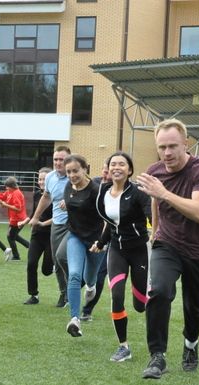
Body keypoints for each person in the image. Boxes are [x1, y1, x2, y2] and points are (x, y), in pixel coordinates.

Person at [135, 118, 199, 380]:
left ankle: (191, 343)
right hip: (167, 245)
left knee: (195, 308)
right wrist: (155, 232)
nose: (167, 153)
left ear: (186, 144)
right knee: (158, 291)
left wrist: (164, 193)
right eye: (162, 147)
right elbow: (156, 204)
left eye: (172, 146)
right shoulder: (155, 171)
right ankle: (157, 356)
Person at [93, 151, 152, 362]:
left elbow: (150, 214)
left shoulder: (138, 192)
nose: (116, 167)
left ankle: (148, 291)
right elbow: (110, 223)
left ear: (129, 170)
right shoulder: (104, 193)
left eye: (121, 164)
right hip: (116, 251)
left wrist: (158, 231)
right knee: (116, 295)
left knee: (140, 305)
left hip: (139, 251)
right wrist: (100, 243)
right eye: (113, 164)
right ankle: (123, 346)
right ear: (108, 170)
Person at [62, 154, 106, 338]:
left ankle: (91, 285)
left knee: (90, 278)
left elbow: (107, 219)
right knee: (73, 275)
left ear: (85, 169)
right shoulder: (67, 186)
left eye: (75, 171)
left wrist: (102, 241)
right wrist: (67, 204)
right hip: (75, 236)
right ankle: (74, 319)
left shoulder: (96, 191)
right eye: (69, 172)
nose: (72, 175)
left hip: (96, 242)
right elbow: (72, 201)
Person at [28, 146, 71, 308]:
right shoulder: (50, 177)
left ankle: (77, 281)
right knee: (57, 261)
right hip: (57, 225)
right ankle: (64, 294)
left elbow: (85, 194)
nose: (58, 162)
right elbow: (46, 197)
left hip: (74, 224)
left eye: (62, 159)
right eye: (56, 159)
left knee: (60, 256)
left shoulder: (74, 175)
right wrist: (36, 217)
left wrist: (70, 201)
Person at [81, 159, 111, 321]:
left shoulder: (119, 188)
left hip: (109, 238)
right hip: (92, 236)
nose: (106, 173)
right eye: (104, 169)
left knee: (99, 275)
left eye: (109, 170)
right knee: (83, 272)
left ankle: (87, 310)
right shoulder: (94, 184)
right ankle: (69, 294)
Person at [19, 167, 54, 305]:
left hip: (51, 235)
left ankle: (58, 268)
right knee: (31, 264)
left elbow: (59, 217)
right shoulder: (36, 195)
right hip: (36, 235)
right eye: (39, 179)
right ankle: (34, 295)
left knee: (46, 270)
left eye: (44, 179)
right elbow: (34, 214)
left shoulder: (56, 195)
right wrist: (25, 221)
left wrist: (43, 223)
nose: (41, 182)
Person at [0, 177, 30, 261]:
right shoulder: (10, 192)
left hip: (18, 219)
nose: (6, 188)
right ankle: (29, 246)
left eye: (7, 186)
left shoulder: (16, 193)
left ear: (12, 186)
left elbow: (18, 208)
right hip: (15, 219)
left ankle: (16, 256)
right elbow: (2, 196)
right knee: (14, 236)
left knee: (10, 237)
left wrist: (5, 205)